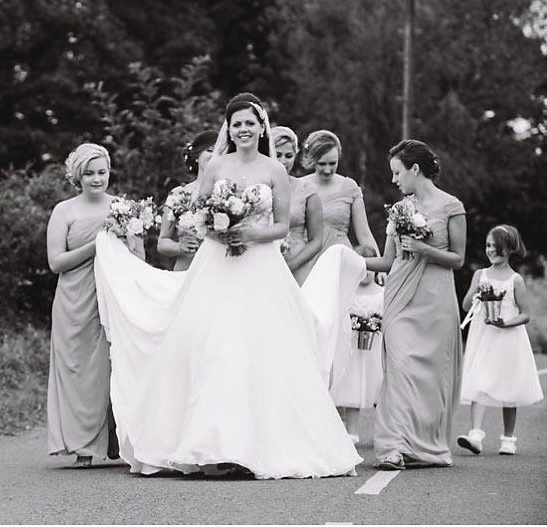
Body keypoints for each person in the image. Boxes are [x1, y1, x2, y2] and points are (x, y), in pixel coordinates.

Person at [93, 93, 365, 479]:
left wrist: (248, 234)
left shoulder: (274, 170)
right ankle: (212, 445)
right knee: (214, 347)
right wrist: (219, 231)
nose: (243, 130)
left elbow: (281, 226)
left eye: (249, 123)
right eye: (236, 123)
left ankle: (256, 444)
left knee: (260, 348)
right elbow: (199, 215)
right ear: (228, 128)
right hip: (217, 265)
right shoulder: (216, 165)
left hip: (260, 267)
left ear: (261, 127)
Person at [363, 140, 466, 470]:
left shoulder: (452, 207)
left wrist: (426, 251)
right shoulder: (398, 210)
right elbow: (388, 261)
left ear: (415, 170)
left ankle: (423, 448)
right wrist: (348, 261)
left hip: (436, 298)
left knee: (430, 375)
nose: (394, 181)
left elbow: (458, 259)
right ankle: (392, 447)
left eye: (397, 173)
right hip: (400, 297)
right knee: (400, 367)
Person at [45, 143, 123, 468]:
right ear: (77, 176)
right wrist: (97, 245)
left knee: (112, 365)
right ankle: (83, 446)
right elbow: (55, 262)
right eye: (89, 173)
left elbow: (138, 256)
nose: (96, 179)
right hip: (73, 299)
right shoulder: (64, 211)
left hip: (112, 294)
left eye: (101, 172)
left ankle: (118, 437)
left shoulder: (121, 206)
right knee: (78, 371)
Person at [457, 225, 543, 456]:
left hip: (507, 338)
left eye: (496, 246)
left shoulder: (516, 280)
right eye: (488, 245)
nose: (491, 250)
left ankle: (508, 439)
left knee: (508, 385)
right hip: (483, 337)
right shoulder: (480, 275)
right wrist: (477, 292)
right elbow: (465, 306)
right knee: (479, 380)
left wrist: (506, 323)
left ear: (509, 249)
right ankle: (475, 434)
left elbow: (525, 314)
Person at [329, 245, 385, 445]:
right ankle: (351, 432)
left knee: (378, 388)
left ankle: (385, 431)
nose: (366, 273)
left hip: (375, 351)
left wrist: (378, 323)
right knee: (352, 387)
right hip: (353, 349)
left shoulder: (383, 293)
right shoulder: (348, 293)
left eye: (370, 268)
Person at [301, 130, 380, 257]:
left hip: (340, 258)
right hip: (307, 258)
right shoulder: (299, 186)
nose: (327, 170)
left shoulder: (349, 187)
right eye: (322, 164)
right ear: (313, 160)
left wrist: (379, 266)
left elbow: (365, 234)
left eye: (332, 163)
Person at [157, 130, 219, 271]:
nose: (215, 155)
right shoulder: (179, 194)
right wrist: (180, 247)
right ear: (196, 156)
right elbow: (162, 243)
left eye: (221, 151)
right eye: (210, 150)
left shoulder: (231, 195)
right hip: (186, 271)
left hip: (221, 271)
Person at [271, 126, 325, 284]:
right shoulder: (257, 189)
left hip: (297, 264)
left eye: (288, 155)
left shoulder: (306, 189)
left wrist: (291, 266)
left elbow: (316, 240)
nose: (283, 161)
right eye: (277, 155)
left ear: (296, 154)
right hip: (265, 261)